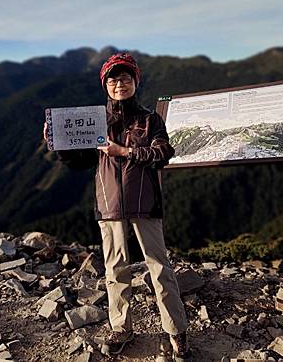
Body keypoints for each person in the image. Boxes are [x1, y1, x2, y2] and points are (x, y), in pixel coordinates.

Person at [42, 52, 191, 361]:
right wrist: (57, 145)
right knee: (115, 269)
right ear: (105, 85)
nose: (119, 84)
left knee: (159, 268)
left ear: (135, 81)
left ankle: (176, 331)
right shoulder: (98, 121)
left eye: (125, 78)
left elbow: (163, 153)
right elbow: (81, 161)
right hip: (109, 207)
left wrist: (123, 150)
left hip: (145, 205)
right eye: (113, 79)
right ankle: (121, 327)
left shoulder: (150, 119)